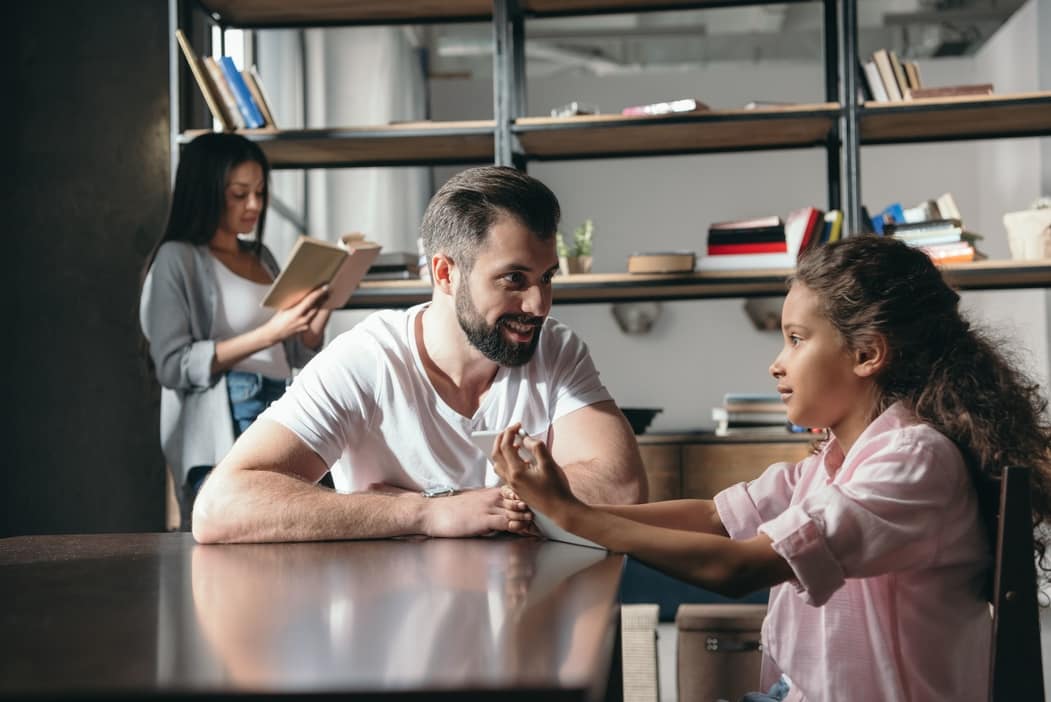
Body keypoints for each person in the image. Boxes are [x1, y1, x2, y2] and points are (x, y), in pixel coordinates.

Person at [492, 235, 1051, 702]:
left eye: (796, 339)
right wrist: (568, 511)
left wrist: (574, 517)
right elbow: (715, 516)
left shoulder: (912, 462)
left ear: (866, 354)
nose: (777, 363)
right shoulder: (837, 461)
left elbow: (738, 568)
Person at [191, 165, 647, 544]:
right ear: (445, 272)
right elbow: (220, 507)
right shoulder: (365, 360)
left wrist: (466, 506)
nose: (539, 305)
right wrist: (426, 513)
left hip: (528, 620)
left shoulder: (556, 348)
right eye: (514, 280)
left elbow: (624, 489)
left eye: (547, 278)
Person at [140, 132, 331, 530]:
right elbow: (172, 365)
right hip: (228, 410)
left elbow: (294, 355)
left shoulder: (262, 257)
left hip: (282, 402)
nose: (255, 205)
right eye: (239, 193)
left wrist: (313, 323)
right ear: (206, 191)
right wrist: (270, 333)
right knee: (237, 539)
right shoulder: (178, 260)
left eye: (260, 191)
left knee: (299, 531)